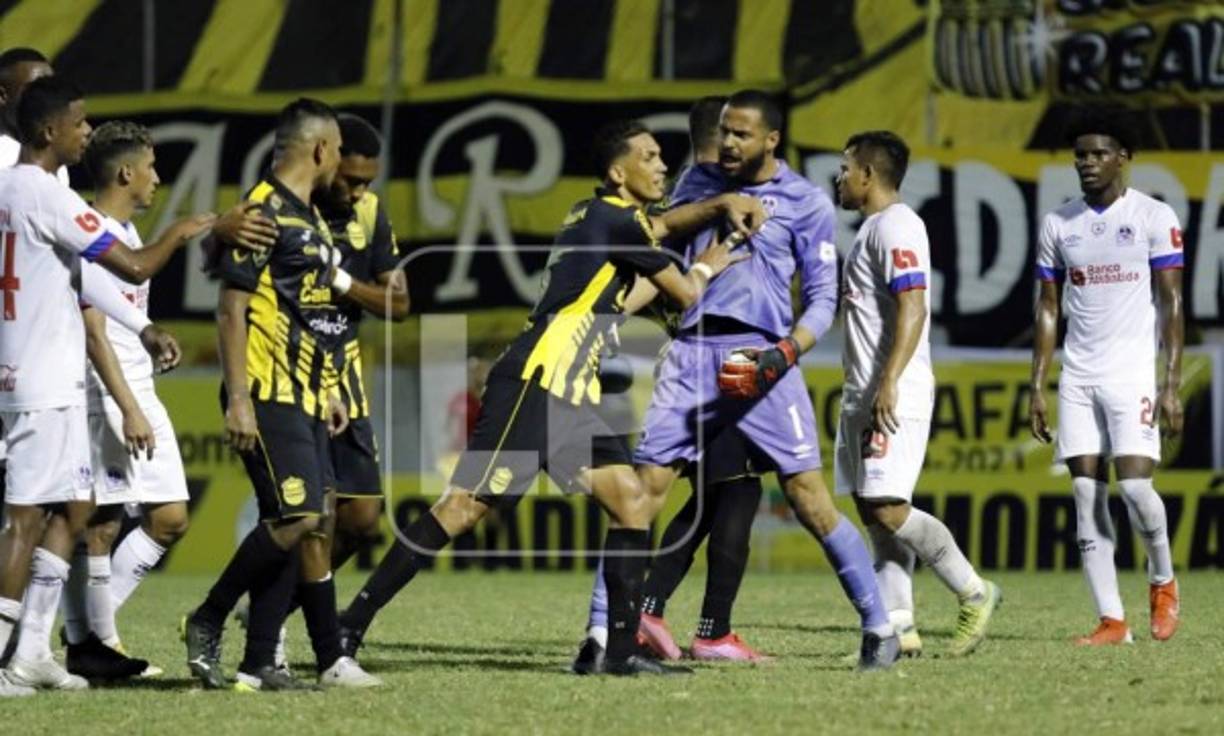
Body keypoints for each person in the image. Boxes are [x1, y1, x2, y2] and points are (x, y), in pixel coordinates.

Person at [337, 118, 758, 676]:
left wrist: (711, 216)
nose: (661, 165)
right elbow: (683, 293)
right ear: (618, 171)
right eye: (650, 156)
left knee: (630, 502)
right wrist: (713, 259)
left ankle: (620, 652)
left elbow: (624, 293)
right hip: (538, 384)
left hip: (569, 394)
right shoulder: (619, 220)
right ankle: (349, 626)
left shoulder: (596, 216)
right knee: (462, 508)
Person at [625, 89, 898, 671]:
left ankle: (880, 628)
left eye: (741, 134)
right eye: (723, 131)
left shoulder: (805, 202)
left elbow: (824, 299)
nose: (727, 142)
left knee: (809, 500)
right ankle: (610, 633)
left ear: (771, 140)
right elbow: (657, 247)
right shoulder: (697, 186)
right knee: (643, 494)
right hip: (692, 354)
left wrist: (784, 354)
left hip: (763, 359)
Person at [0, 75, 208, 696]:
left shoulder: (10, 187)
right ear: (48, 131)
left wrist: (140, 325)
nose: (86, 132)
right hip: (45, 378)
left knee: (77, 509)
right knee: (24, 520)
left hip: (31, 371)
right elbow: (135, 265)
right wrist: (185, 230)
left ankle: (37, 650)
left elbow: (76, 278)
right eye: (79, 122)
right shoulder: (46, 192)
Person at [182, 98, 381, 691]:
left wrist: (327, 389)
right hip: (266, 391)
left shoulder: (310, 219)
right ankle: (210, 615)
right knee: (295, 516)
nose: (341, 162)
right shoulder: (261, 212)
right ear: (322, 149)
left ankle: (259, 661)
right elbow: (231, 305)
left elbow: (302, 313)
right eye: (339, 151)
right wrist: (240, 398)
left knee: (312, 519)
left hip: (308, 393)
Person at [576, 96, 771, 669]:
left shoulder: (686, 191)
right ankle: (680, 627)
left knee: (695, 492)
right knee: (708, 490)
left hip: (680, 356)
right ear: (725, 137)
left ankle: (637, 617)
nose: (745, 144)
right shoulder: (697, 196)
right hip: (698, 360)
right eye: (737, 132)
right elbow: (665, 275)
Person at [833, 130, 1001, 658]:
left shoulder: (900, 226)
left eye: (844, 168)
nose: (838, 178)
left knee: (888, 508)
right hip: (864, 391)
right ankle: (901, 625)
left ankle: (974, 590)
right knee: (872, 510)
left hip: (893, 389)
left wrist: (889, 382)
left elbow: (914, 305)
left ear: (867, 174)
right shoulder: (871, 230)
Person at [1030, 109, 1182, 645]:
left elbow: (1171, 304)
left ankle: (1162, 580)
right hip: (1078, 377)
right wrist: (1038, 384)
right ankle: (1112, 620)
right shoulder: (1058, 223)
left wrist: (1170, 383)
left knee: (1137, 487)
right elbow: (1048, 309)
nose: (1087, 163)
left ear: (1124, 156)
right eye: (1080, 155)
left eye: (1098, 153)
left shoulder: (1154, 217)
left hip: (1131, 373)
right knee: (1085, 493)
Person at [316, 113, 408, 569]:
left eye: (367, 182)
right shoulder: (287, 208)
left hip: (345, 374)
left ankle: (267, 608)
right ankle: (257, 620)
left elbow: (400, 303)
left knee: (362, 518)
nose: (358, 193)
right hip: (289, 370)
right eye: (350, 180)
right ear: (326, 159)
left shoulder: (370, 212)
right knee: (309, 515)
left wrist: (341, 282)